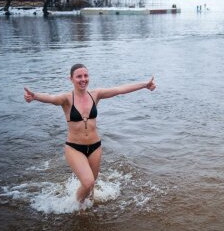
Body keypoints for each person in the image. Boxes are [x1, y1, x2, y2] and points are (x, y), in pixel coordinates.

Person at [24, 64, 156, 203]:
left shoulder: (95, 94)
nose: (83, 79)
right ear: (71, 79)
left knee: (91, 188)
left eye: (86, 76)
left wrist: (144, 85)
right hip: (75, 148)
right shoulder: (66, 99)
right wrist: (35, 96)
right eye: (79, 76)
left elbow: (119, 90)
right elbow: (51, 98)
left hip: (95, 147)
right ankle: (74, 207)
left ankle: (87, 216)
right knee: (88, 183)